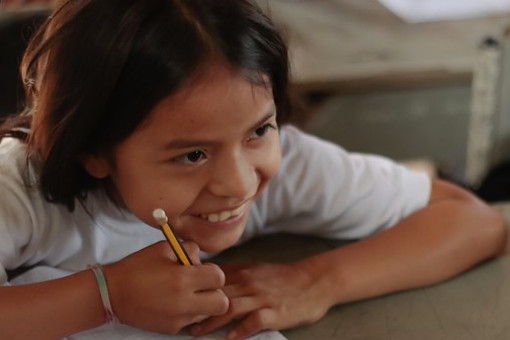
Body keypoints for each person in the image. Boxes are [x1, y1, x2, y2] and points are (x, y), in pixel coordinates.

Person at [0, 0, 506, 339]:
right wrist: (106, 297)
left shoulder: (289, 163)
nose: (240, 183)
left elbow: (472, 221)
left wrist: (317, 281)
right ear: (95, 150)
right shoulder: (19, 188)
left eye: (259, 131)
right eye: (191, 155)